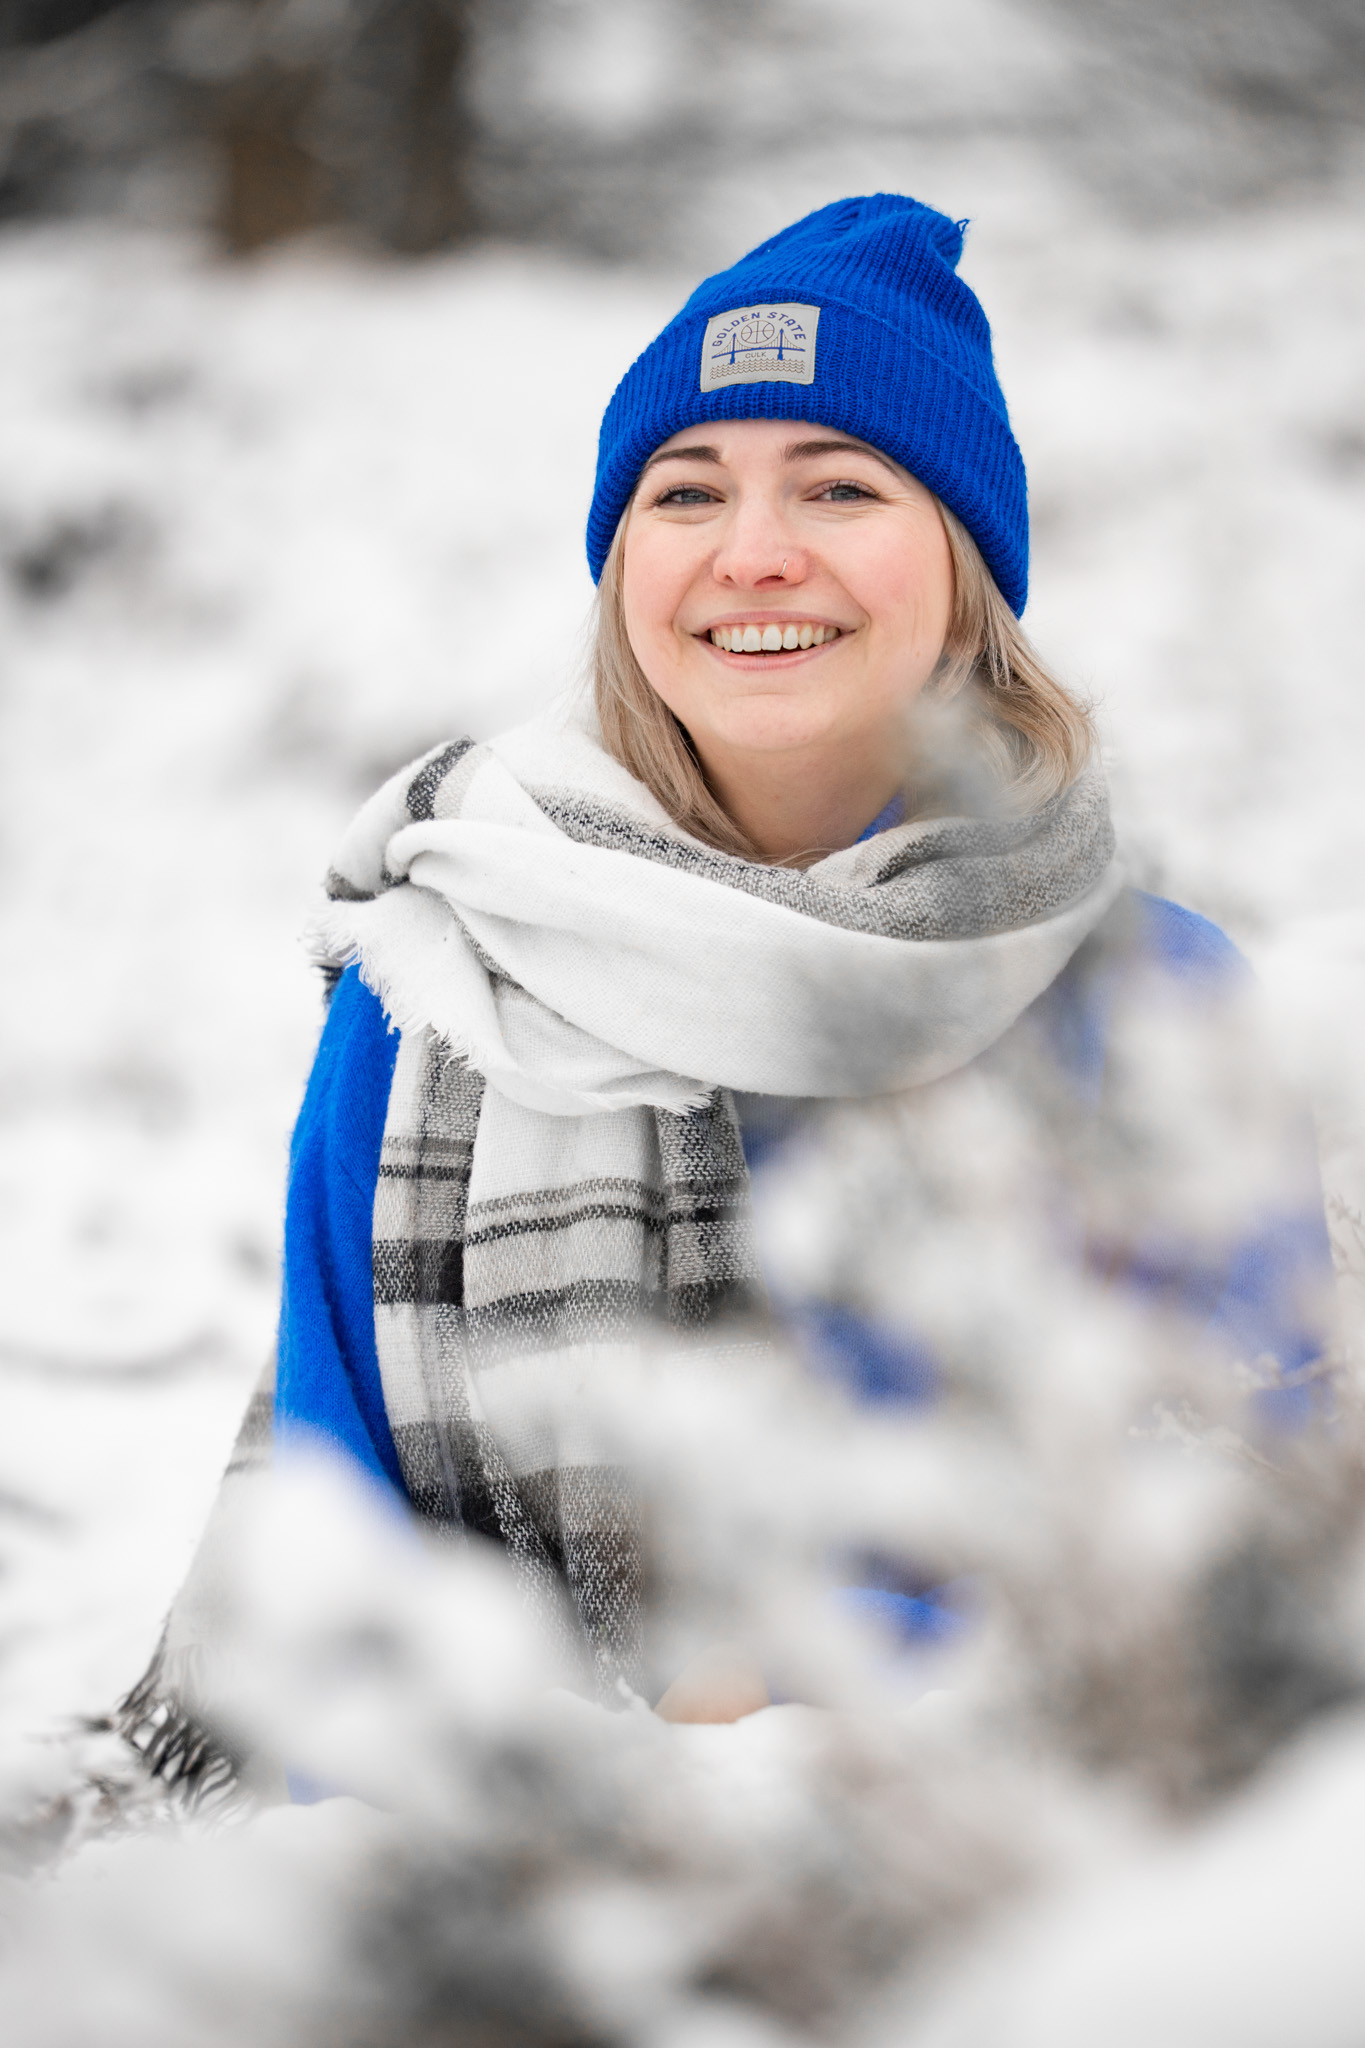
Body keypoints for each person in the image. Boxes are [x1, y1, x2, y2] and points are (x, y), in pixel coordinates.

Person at [121, 194, 1331, 1786]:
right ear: (624, 563)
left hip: (1038, 1881)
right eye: (684, 491)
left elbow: (1256, 1517)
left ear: (965, 572)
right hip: (512, 1902)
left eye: (839, 485)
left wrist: (807, 1693)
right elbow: (335, 1541)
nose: (754, 553)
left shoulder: (1150, 998)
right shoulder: (442, 983)